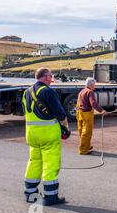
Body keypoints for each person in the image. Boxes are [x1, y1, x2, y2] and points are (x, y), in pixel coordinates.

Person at [22, 67, 68, 206]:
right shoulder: (48, 91)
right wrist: (65, 128)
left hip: (31, 134)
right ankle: (50, 196)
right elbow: (60, 114)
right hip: (48, 134)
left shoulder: (26, 92)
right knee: (50, 164)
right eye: (50, 76)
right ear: (45, 77)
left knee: (34, 162)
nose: (51, 79)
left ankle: (31, 193)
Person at [76, 77, 106, 155]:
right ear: (91, 84)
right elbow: (93, 103)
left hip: (79, 113)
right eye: (94, 84)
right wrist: (101, 110)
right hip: (87, 114)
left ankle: (87, 146)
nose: (94, 86)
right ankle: (83, 150)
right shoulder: (90, 92)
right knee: (87, 132)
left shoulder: (82, 91)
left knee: (81, 130)